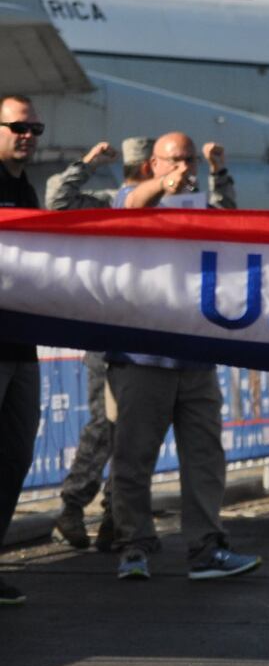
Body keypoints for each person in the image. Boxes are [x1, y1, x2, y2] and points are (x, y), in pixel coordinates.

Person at [107, 132, 260, 582]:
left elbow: (233, 226)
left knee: (205, 458)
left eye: (188, 161)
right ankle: (133, 546)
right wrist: (164, 187)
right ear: (152, 163)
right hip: (141, 358)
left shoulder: (199, 206)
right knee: (133, 458)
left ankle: (206, 546)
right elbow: (131, 204)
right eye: (174, 161)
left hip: (195, 359)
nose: (183, 170)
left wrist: (218, 173)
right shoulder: (132, 198)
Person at [47, 136, 154, 551]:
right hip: (109, 332)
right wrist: (86, 163)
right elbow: (57, 200)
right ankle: (74, 507)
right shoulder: (109, 204)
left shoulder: (165, 211)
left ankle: (114, 515)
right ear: (148, 168)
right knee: (105, 426)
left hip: (145, 334)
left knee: (134, 432)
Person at [0, 94, 44, 605]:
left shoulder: (25, 187)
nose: (27, 134)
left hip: (21, 348)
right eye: (18, 126)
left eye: (35, 126)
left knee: (13, 459)